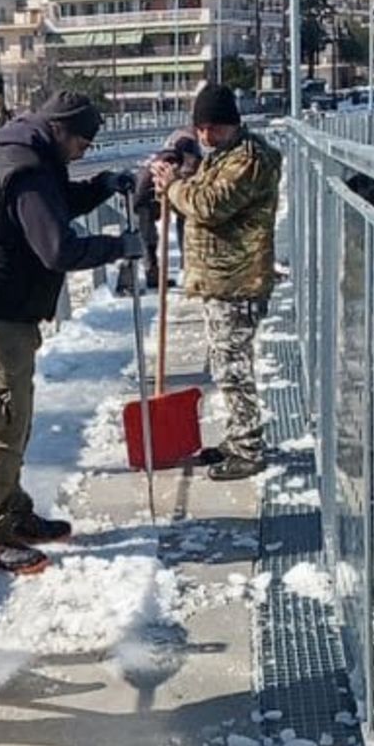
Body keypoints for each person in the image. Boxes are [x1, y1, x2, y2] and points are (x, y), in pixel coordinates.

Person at [0, 91, 141, 576]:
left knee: (11, 422)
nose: (83, 152)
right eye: (83, 144)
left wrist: (102, 186)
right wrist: (119, 246)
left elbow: (53, 206)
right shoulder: (25, 168)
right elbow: (56, 248)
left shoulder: (25, 152)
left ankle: (12, 512)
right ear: (60, 130)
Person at [152, 84, 281, 482]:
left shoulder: (249, 159)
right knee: (226, 365)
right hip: (219, 280)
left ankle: (248, 448)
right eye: (201, 128)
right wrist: (177, 179)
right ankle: (237, 436)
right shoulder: (222, 156)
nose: (206, 136)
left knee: (233, 368)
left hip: (237, 281)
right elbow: (201, 191)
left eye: (214, 128)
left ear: (232, 124)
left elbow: (209, 205)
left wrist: (173, 187)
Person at [134, 132, 200, 288]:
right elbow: (190, 170)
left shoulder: (167, 154)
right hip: (146, 197)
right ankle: (160, 274)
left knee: (149, 237)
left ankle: (178, 270)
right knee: (150, 238)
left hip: (152, 195)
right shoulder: (180, 155)